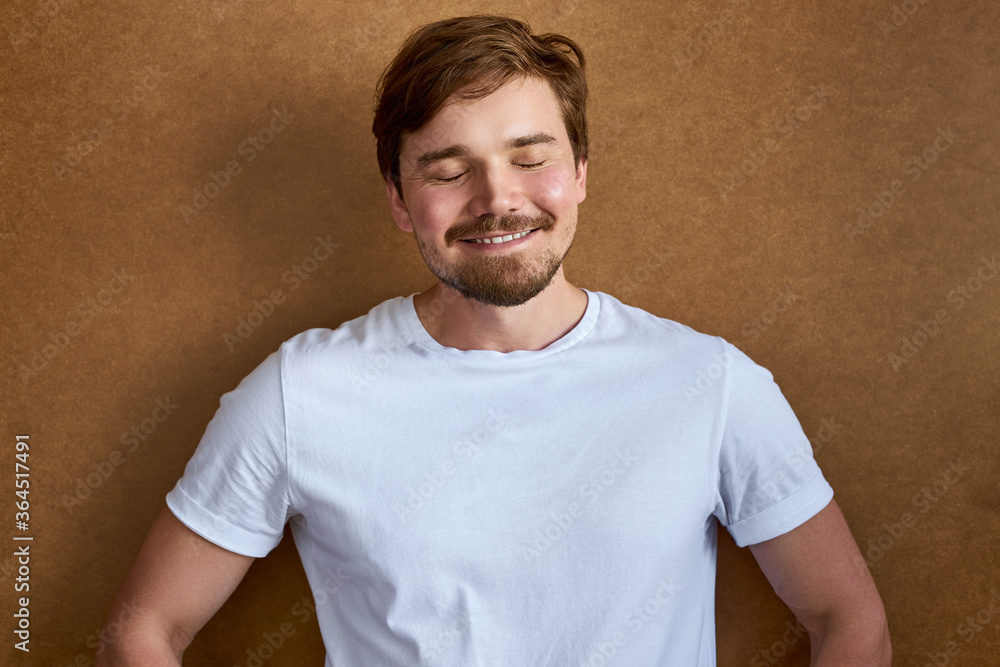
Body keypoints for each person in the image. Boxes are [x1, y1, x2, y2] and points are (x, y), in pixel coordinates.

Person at [97, 14, 891, 666]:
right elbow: (143, 628)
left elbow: (847, 618)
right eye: (448, 169)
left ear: (578, 171)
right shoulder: (300, 393)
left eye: (530, 156)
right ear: (402, 200)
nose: (497, 199)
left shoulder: (711, 383)